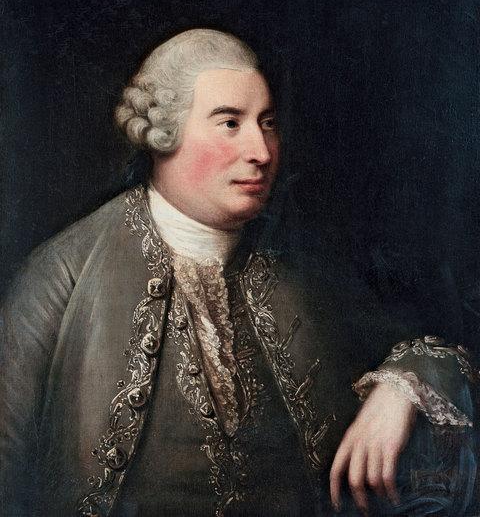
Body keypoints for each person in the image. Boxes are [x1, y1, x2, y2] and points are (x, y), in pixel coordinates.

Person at [0, 29, 476, 517]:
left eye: (267, 124)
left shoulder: (305, 270)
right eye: (230, 123)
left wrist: (398, 389)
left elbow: (430, 351)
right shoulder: (62, 274)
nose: (261, 152)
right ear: (163, 133)